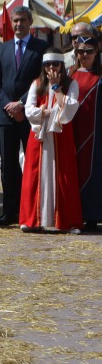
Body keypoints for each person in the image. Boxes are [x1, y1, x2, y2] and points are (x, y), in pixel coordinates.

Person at [0, 6, 48, 226]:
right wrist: (8, 106)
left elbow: (42, 80)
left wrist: (22, 104)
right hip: (6, 116)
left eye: (22, 20)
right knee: (8, 165)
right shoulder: (2, 49)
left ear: (30, 21)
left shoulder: (40, 47)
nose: (18, 24)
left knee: (33, 163)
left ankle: (32, 211)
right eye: (15, 20)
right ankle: (9, 211)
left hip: (30, 115)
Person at [20, 49, 81, 233]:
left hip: (61, 136)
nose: (52, 68)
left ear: (62, 65)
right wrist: (43, 113)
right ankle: (32, 220)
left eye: (55, 64)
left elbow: (69, 107)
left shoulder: (71, 83)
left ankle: (68, 221)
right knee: (34, 176)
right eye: (48, 64)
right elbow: (29, 109)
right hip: (39, 136)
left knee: (64, 177)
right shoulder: (37, 84)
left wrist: (56, 87)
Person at [70, 35, 102, 231]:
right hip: (73, 130)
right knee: (76, 171)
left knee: (95, 172)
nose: (84, 55)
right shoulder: (70, 74)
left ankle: (93, 215)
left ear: (96, 52)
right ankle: (77, 214)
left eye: (89, 51)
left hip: (97, 132)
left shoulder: (100, 74)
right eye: (81, 51)